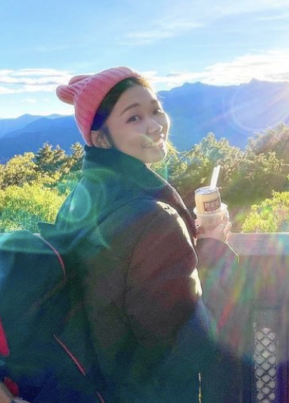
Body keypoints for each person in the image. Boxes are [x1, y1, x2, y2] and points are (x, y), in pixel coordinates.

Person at [54, 67, 240, 403]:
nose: (155, 125)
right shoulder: (155, 220)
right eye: (134, 118)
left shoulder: (78, 201)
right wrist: (212, 251)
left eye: (155, 110)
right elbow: (187, 351)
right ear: (100, 139)